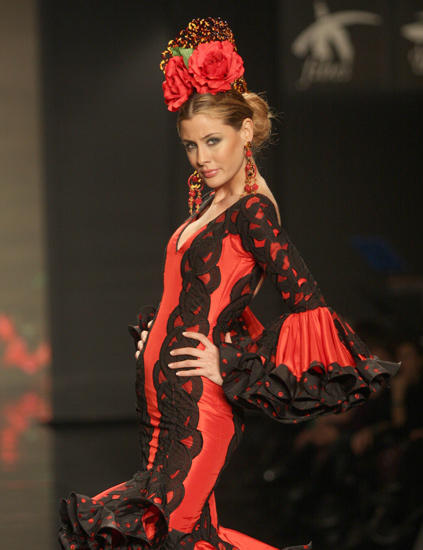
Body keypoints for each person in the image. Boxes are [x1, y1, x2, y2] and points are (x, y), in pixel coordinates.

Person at [57, 16, 401, 550]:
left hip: (199, 407)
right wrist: (155, 332)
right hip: (163, 404)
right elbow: (207, 297)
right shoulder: (212, 203)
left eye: (213, 140)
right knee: (187, 535)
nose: (202, 158)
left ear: (245, 132)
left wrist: (232, 362)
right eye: (191, 146)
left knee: (169, 536)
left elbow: (307, 302)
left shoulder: (253, 211)